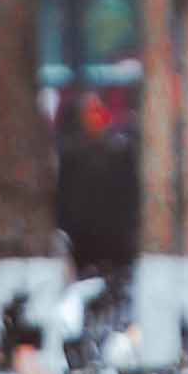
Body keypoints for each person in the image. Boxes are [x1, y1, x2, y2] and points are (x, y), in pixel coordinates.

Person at [54, 97, 140, 301]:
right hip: (84, 242)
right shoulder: (71, 157)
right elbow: (64, 199)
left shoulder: (121, 154)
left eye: (98, 113)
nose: (96, 119)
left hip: (117, 243)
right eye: (90, 114)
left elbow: (130, 195)